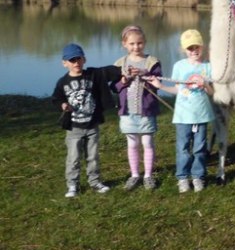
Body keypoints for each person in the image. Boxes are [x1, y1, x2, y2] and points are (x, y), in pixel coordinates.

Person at [148, 30, 215, 193]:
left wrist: (205, 84)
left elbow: (213, 93)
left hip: (201, 115)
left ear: (202, 46)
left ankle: (198, 175)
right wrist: (160, 86)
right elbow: (177, 89)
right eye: (189, 48)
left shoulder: (208, 67)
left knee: (199, 147)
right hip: (183, 116)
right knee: (183, 148)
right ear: (184, 50)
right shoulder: (179, 66)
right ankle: (183, 177)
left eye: (196, 47)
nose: (193, 51)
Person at [52, 43, 123, 198]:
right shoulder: (62, 82)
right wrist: (63, 104)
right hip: (74, 128)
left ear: (84, 59)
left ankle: (95, 181)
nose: (76, 63)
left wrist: (125, 69)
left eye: (79, 59)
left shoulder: (93, 75)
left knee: (93, 156)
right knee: (74, 158)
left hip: (92, 125)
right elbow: (56, 98)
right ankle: (72, 184)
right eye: (72, 60)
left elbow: (110, 71)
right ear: (64, 63)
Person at [111, 25, 163, 191]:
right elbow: (114, 86)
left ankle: (148, 175)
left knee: (147, 142)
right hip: (127, 112)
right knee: (132, 144)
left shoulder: (152, 62)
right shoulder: (120, 64)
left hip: (146, 111)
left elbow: (157, 84)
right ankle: (134, 174)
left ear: (145, 42)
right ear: (124, 44)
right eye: (132, 43)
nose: (136, 47)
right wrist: (123, 81)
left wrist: (145, 74)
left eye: (139, 43)